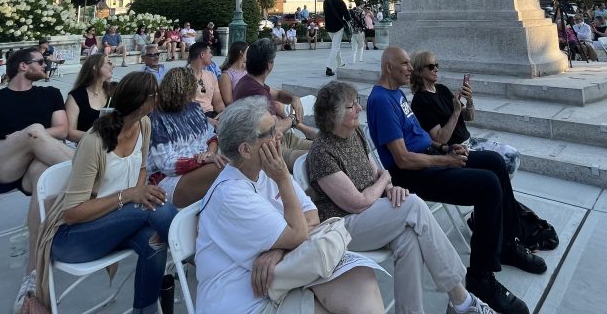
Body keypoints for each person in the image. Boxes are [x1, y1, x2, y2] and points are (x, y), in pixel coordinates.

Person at [366, 46, 544, 314]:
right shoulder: (381, 100)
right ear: (388, 67)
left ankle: (506, 244)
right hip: (411, 175)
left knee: (494, 163)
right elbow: (402, 159)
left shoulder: (396, 93)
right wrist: (444, 161)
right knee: (486, 185)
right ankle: (480, 278)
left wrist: (445, 150)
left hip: (429, 157)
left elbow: (422, 139)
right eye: (405, 64)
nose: (410, 69)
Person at [307, 82, 496, 314]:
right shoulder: (321, 152)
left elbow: (376, 172)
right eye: (351, 106)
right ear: (332, 116)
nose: (358, 108)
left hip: (371, 212)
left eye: (357, 101)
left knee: (409, 238)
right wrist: (385, 181)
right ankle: (462, 299)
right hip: (344, 227)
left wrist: (389, 187)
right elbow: (357, 202)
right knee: (413, 205)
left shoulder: (354, 132)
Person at [195, 97, 386, 314]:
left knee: (359, 275)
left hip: (279, 281)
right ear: (246, 150)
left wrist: (278, 249)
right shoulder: (231, 193)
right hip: (245, 301)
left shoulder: (264, 172)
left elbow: (312, 215)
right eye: (269, 132)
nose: (279, 135)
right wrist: (284, 178)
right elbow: (298, 235)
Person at [34, 71, 175, 314]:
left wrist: (137, 192)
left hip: (116, 224)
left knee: (155, 240)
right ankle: (198, 249)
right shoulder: (95, 141)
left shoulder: (144, 124)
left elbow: (141, 167)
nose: (159, 98)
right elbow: (71, 214)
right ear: (142, 101)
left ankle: (147, 310)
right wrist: (129, 195)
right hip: (72, 238)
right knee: (155, 209)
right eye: (156, 94)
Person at [0, 47, 74, 312]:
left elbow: (63, 129)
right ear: (22, 66)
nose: (47, 65)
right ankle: (95, 177)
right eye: (42, 62)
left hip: (35, 170)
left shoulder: (50, 94)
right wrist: (15, 140)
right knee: (33, 131)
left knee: (43, 171)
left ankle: (32, 277)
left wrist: (30, 139)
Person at [409, 51, 520, 176]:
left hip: (470, 141)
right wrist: (456, 112)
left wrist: (469, 101)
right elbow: (440, 139)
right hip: (456, 150)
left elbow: (469, 116)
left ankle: (500, 191)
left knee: (512, 155)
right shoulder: (420, 101)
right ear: (418, 71)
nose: (436, 69)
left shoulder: (442, 89)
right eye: (430, 66)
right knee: (503, 162)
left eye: (436, 65)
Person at [147, 67, 226, 207]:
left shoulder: (194, 108)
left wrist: (210, 153)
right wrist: (200, 161)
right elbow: (166, 164)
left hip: (197, 169)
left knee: (234, 160)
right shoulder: (157, 118)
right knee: (223, 167)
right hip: (166, 180)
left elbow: (212, 137)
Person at [233, 39, 316, 169]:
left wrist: (294, 98)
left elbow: (277, 94)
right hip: (270, 148)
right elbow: (274, 130)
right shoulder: (256, 92)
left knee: (327, 148)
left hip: (282, 140)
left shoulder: (249, 82)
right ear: (269, 65)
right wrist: (293, 118)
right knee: (322, 156)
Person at [66, 54, 115, 144]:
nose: (113, 66)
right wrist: (100, 138)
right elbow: (70, 133)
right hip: (89, 148)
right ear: (95, 67)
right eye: (109, 62)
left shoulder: (113, 92)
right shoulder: (76, 96)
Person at [188, 41, 226, 118]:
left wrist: (224, 115)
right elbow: (183, 106)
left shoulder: (211, 75)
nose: (211, 56)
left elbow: (218, 102)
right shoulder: (183, 76)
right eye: (210, 53)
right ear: (202, 55)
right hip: (192, 117)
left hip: (210, 115)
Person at [323, 0, 350, 76]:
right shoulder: (341, 2)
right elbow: (347, 16)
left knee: (336, 45)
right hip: (338, 27)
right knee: (335, 47)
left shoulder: (325, 2)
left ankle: (340, 62)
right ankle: (329, 67)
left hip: (329, 27)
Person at [218, 40, 249, 105]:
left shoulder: (247, 71)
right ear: (241, 53)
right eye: (247, 51)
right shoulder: (226, 75)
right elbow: (228, 102)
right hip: (239, 109)